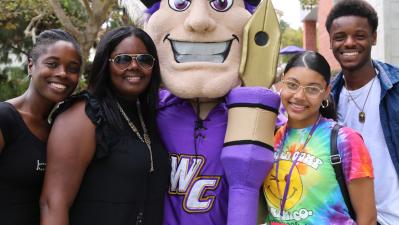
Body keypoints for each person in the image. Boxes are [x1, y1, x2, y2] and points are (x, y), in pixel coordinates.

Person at [137, 0, 282, 225]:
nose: (198, 20)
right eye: (179, 3)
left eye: (221, 2)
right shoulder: (148, 112)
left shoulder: (262, 119)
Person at [39, 26, 169, 225]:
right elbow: (53, 203)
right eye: (123, 59)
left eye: (144, 59)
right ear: (105, 64)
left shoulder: (149, 114)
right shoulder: (83, 114)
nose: (134, 66)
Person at [262, 51, 376, 225]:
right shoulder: (269, 137)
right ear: (282, 83)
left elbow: (367, 219)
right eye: (292, 85)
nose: (299, 96)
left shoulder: (345, 141)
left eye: (313, 89)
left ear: (326, 92)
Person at [326, 1, 399, 224]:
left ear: (373, 38)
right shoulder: (327, 101)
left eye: (359, 35)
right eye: (340, 36)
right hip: (357, 218)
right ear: (331, 42)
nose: (349, 43)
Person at [0, 29, 82, 225]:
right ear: (31, 66)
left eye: (72, 68)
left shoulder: (57, 130)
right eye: (52, 64)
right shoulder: (5, 118)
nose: (63, 73)